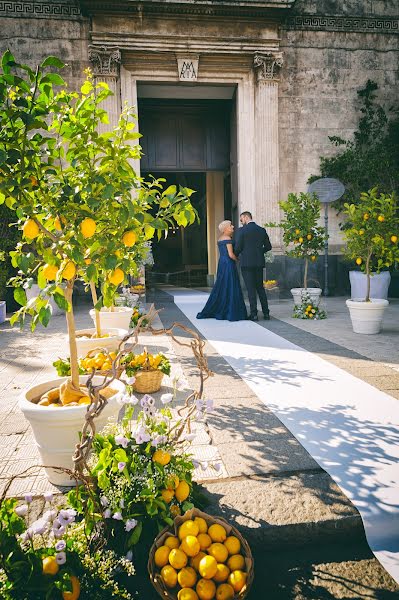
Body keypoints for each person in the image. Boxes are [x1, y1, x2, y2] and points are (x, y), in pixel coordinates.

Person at [196, 220, 247, 321]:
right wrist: (239, 260)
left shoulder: (220, 239)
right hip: (228, 263)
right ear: (225, 229)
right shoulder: (228, 238)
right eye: (230, 225)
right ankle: (230, 311)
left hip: (222, 263)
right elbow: (231, 255)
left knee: (222, 284)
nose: (232, 227)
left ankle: (221, 308)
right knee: (231, 285)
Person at [234, 211, 272, 321]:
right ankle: (266, 313)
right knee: (260, 288)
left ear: (246, 217)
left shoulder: (242, 231)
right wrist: (260, 252)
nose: (241, 222)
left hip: (246, 263)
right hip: (259, 263)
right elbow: (268, 247)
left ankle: (254, 314)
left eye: (241, 219)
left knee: (251, 289)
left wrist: (235, 256)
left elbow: (238, 247)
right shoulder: (261, 230)